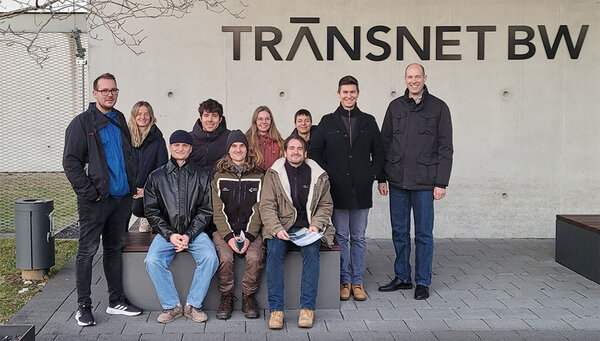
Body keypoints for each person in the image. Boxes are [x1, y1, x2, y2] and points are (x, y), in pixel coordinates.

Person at [63, 73, 142, 327]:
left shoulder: (119, 119)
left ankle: (115, 300)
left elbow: (126, 156)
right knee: (87, 252)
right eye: (105, 90)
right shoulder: (82, 123)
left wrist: (131, 186)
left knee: (114, 250)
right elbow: (71, 162)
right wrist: (91, 192)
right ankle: (83, 307)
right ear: (95, 93)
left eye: (114, 90)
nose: (110, 94)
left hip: (121, 199)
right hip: (95, 201)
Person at [377, 63, 453, 300]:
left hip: (425, 183)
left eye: (417, 76)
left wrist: (442, 182)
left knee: (423, 234)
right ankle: (402, 277)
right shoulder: (395, 107)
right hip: (397, 181)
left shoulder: (439, 108)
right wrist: (381, 177)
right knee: (399, 232)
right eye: (410, 77)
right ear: (405, 79)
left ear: (424, 78)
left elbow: (445, 148)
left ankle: (422, 281)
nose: (414, 80)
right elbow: (384, 144)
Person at [309, 75, 385, 302]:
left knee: (359, 237)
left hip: (361, 188)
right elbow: (314, 151)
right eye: (345, 92)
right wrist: (328, 175)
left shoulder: (369, 121)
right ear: (338, 94)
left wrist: (374, 175)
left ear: (358, 93)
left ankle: (358, 281)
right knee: (341, 236)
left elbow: (380, 152)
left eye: (353, 92)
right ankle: (344, 280)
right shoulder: (327, 121)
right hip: (337, 189)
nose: (349, 96)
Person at [143, 130, 219, 323]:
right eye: (176, 145)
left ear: (191, 148)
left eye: (184, 145)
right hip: (166, 233)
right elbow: (152, 211)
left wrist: (189, 235)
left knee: (210, 258)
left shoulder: (202, 175)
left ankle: (193, 305)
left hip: (195, 233)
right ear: (170, 147)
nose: (180, 149)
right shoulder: (156, 177)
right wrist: (170, 235)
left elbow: (207, 210)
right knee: (152, 260)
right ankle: (172, 306)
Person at [260, 135, 335, 329]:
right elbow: (266, 206)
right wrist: (276, 229)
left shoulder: (318, 175)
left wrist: (316, 225)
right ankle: (276, 310)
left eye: (299, 149)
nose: (295, 152)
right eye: (291, 148)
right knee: (274, 252)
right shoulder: (274, 174)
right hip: (282, 227)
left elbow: (326, 205)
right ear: (285, 152)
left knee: (311, 253)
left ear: (305, 153)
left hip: (308, 226)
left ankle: (307, 309)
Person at [211, 130, 265, 320]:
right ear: (228, 150)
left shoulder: (259, 175)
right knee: (225, 258)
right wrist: (228, 237)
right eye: (234, 146)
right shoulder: (219, 176)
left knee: (255, 257)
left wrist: (249, 236)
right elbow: (217, 211)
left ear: (247, 149)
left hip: (251, 230)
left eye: (242, 146)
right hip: (225, 230)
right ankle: (226, 296)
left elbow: (259, 209)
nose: (238, 149)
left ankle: (248, 296)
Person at [127, 101, 168, 232]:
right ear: (134, 115)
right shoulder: (125, 137)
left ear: (151, 116)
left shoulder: (157, 139)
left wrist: (147, 189)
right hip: (128, 187)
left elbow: (161, 166)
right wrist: (131, 187)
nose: (143, 117)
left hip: (147, 188)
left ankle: (145, 216)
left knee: (138, 208)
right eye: (139, 114)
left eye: (146, 114)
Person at [190, 98, 231, 173]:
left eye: (214, 116)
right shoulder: (189, 139)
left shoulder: (230, 138)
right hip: (194, 183)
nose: (210, 119)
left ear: (220, 119)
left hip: (220, 182)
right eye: (206, 115)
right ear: (201, 118)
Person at [246, 106, 284, 171]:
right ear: (255, 121)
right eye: (260, 119)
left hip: (273, 179)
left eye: (267, 119)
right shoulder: (247, 140)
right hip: (254, 179)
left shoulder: (279, 142)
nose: (264, 122)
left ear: (271, 121)